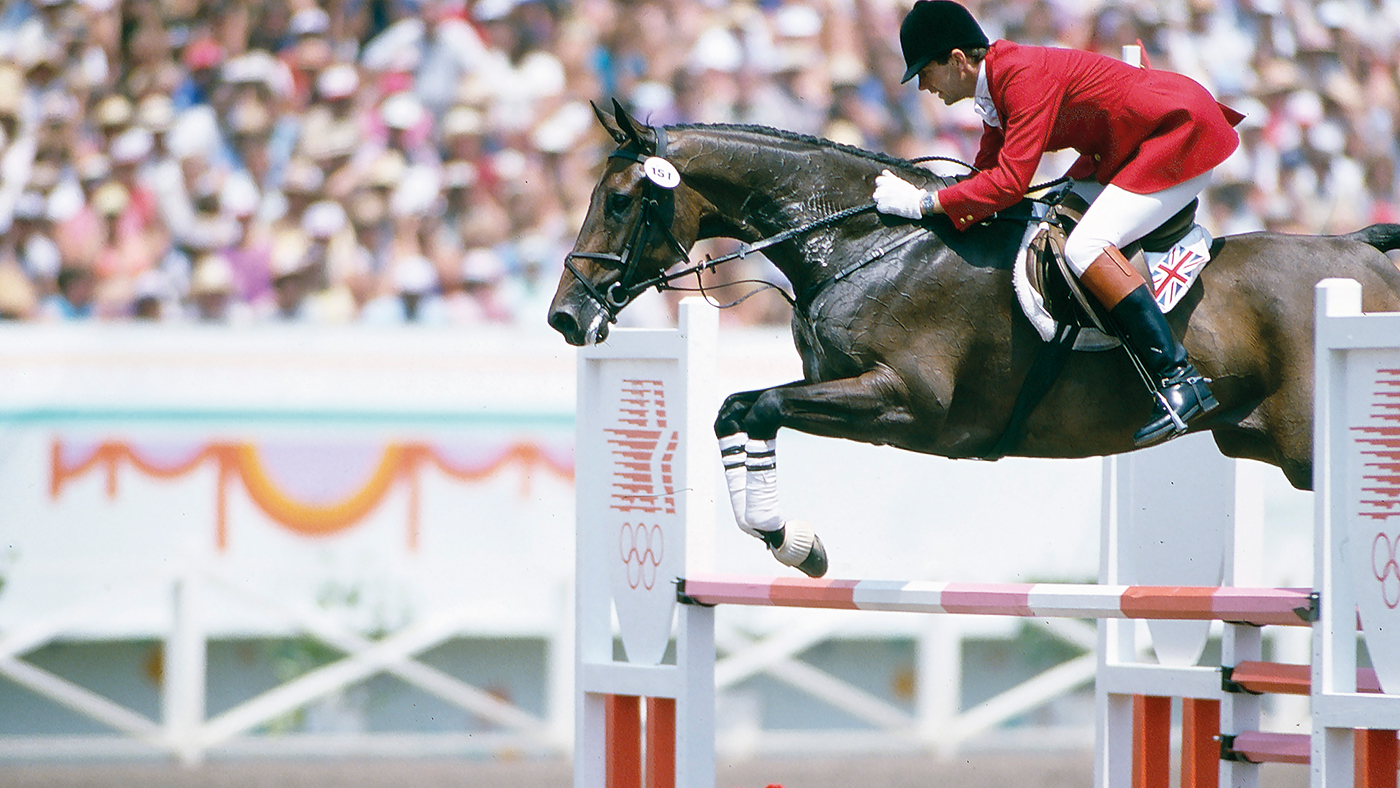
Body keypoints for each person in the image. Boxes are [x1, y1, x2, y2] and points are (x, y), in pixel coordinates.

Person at [871, 0, 1243, 448]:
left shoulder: (1021, 77)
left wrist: (923, 203)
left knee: (1085, 246)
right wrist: (938, 205)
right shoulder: (996, 86)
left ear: (956, 60)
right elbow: (986, 179)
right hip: (1130, 145)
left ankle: (1179, 378)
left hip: (1177, 134)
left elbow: (1008, 183)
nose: (923, 87)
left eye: (924, 73)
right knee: (1052, 208)